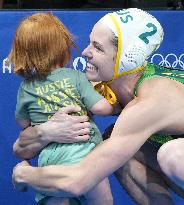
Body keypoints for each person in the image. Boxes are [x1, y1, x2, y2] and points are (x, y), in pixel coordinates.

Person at [12, 8, 184, 205]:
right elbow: (20, 147)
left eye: (97, 48)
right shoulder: (106, 89)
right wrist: (45, 132)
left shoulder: (153, 99)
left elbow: (78, 181)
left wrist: (24, 174)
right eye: (90, 43)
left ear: (126, 58)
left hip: (182, 155)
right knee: (113, 143)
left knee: (175, 156)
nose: (85, 52)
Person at [9, 12, 115, 205]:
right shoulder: (76, 77)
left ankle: (24, 175)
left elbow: (23, 123)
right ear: (62, 45)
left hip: (51, 157)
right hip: (85, 152)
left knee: (57, 200)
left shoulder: (26, 87)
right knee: (102, 200)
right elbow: (102, 108)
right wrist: (114, 102)